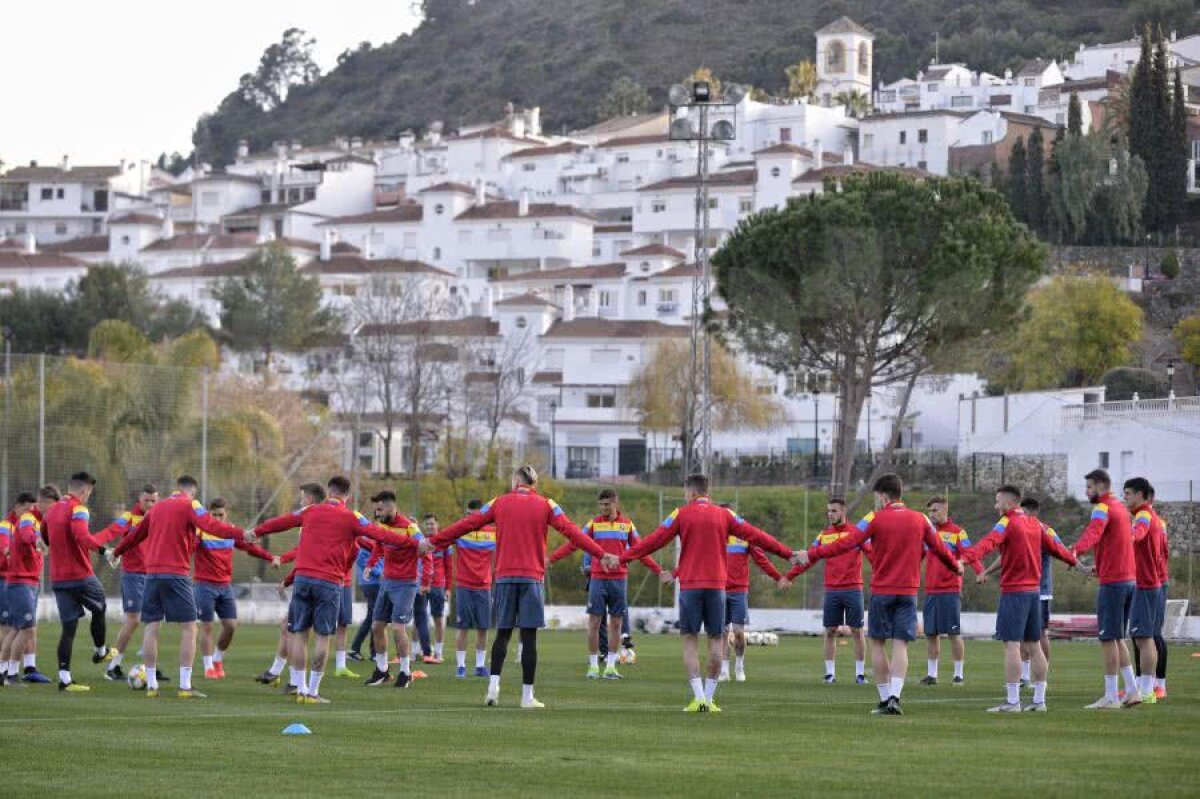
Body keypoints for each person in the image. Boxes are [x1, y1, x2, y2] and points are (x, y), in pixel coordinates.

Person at [423, 465, 615, 709]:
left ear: (516, 480)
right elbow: (573, 532)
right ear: (534, 483)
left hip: (504, 577)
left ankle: (493, 687)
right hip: (532, 578)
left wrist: (435, 541)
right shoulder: (547, 504)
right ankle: (527, 697)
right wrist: (600, 553)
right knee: (528, 637)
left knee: (502, 633)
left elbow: (467, 524)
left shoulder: (499, 502)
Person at [619, 473, 795, 713]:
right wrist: (788, 553)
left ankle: (699, 697)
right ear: (707, 492)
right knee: (716, 639)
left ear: (691, 493)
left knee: (690, 641)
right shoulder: (725, 515)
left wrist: (622, 557)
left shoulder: (680, 513)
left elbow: (653, 541)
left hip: (691, 587)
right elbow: (757, 535)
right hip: (717, 587)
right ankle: (710, 699)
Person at [797, 473, 962, 716]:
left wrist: (813, 554)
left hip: (882, 591)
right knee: (900, 645)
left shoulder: (873, 518)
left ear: (883, 496)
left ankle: (885, 700)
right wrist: (955, 567)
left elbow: (848, 542)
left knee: (877, 644)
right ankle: (896, 696)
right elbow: (939, 547)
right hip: (908, 592)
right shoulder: (921, 519)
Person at [254, 478, 420, 704]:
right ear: (348, 496)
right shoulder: (352, 517)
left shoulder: (310, 511)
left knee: (300, 635)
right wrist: (415, 543)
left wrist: (255, 532)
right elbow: (381, 535)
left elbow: (282, 522)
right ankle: (312, 691)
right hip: (329, 582)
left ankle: (300, 687)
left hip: (303, 579)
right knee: (323, 637)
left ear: (328, 492)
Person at [112, 475, 252, 699]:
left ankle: (151, 685)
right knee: (189, 627)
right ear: (192, 492)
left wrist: (116, 552)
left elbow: (135, 535)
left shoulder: (157, 508)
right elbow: (211, 526)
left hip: (151, 575)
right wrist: (240, 533)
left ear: (176, 489)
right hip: (176, 574)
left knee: (151, 627)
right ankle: (185, 686)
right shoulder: (191, 505)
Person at [960, 485, 1078, 712]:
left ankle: (1013, 701)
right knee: (1034, 646)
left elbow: (988, 543)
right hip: (1035, 593)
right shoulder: (1036, 524)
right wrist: (1077, 564)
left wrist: (963, 560)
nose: (996, 506)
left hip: (1014, 592)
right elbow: (1058, 549)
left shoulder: (1007, 522)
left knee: (1011, 645)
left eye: (997, 502)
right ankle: (1039, 701)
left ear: (1009, 503)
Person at [549, 488, 668, 680]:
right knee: (594, 623)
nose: (604, 508)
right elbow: (574, 543)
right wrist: (552, 558)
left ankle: (611, 667)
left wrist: (658, 570)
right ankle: (594, 667)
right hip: (597, 579)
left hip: (619, 580)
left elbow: (641, 550)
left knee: (616, 624)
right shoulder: (594, 524)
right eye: (601, 505)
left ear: (616, 504)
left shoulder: (627, 525)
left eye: (607, 504)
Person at [1068, 468, 1140, 709]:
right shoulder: (1121, 507)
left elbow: (1094, 533)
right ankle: (1132, 690)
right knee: (1118, 637)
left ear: (1100, 486)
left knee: (1108, 638)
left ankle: (1110, 696)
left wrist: (1076, 550)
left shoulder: (1102, 507)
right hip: (1129, 579)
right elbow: (1116, 543)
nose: (1087, 492)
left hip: (1114, 582)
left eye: (1089, 487)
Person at [783, 498, 870, 685]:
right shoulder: (824, 535)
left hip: (853, 588)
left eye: (834, 511)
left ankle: (860, 674)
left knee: (857, 630)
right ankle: (830, 674)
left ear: (843, 512)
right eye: (828, 511)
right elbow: (809, 558)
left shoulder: (857, 533)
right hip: (832, 590)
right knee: (830, 631)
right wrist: (789, 576)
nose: (830, 514)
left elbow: (872, 554)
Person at [43, 471, 117, 692]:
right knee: (101, 605)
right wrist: (106, 552)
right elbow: (82, 537)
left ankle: (65, 680)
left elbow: (45, 536)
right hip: (80, 576)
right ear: (84, 490)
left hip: (59, 579)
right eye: (89, 493)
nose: (88, 497)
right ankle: (101, 650)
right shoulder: (79, 509)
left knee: (68, 629)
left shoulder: (52, 510)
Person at [194, 498, 279, 679]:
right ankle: (208, 667)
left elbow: (250, 548)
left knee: (231, 626)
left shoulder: (230, 532)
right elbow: (187, 549)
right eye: (214, 514)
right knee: (206, 626)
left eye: (220, 514)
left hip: (225, 586)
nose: (217, 518)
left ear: (226, 514)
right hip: (204, 585)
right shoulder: (200, 532)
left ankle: (218, 659)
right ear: (208, 514)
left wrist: (270, 557)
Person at [982, 497, 1063, 689]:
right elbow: (1004, 556)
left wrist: (1076, 560)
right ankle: (1026, 677)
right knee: (1025, 639)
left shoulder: (1042, 528)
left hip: (1038, 590)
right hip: (1031, 590)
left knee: (1036, 636)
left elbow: (1060, 548)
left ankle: (1040, 679)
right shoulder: (1021, 527)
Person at [362, 492, 424, 689]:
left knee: (398, 628)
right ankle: (382, 671)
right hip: (387, 582)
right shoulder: (382, 525)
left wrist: (426, 578)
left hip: (406, 584)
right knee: (377, 626)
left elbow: (425, 549)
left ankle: (405, 673)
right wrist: (370, 564)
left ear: (391, 507)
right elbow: (378, 546)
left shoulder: (410, 527)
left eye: (380, 509)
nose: (376, 513)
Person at [918, 497, 982, 686]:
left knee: (954, 633)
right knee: (931, 633)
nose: (932, 515)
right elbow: (918, 555)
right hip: (931, 590)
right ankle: (932, 674)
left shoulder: (958, 533)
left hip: (950, 589)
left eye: (935, 510)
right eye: (929, 512)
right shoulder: (927, 533)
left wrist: (980, 572)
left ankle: (958, 674)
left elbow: (970, 553)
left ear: (945, 510)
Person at [718, 502, 783, 683]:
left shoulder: (744, 536)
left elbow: (761, 560)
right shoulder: (715, 537)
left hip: (738, 590)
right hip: (719, 590)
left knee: (738, 632)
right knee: (722, 632)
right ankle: (724, 670)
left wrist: (778, 577)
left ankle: (739, 666)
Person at [101, 485, 159, 682]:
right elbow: (112, 531)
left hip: (153, 575)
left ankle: (150, 667)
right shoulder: (129, 517)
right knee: (133, 620)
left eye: (153, 501)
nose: (150, 504)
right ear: (139, 500)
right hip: (133, 575)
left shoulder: (158, 516)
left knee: (153, 621)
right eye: (147, 501)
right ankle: (113, 666)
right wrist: (97, 545)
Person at [4, 486, 55, 684]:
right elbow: (26, 535)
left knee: (18, 628)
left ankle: (4, 672)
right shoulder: (28, 518)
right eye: (50, 506)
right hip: (20, 581)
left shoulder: (41, 522)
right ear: (40, 503)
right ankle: (12, 674)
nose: (51, 511)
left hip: (28, 581)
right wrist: (37, 541)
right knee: (27, 629)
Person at [1124, 477, 1165, 705]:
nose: (1125, 497)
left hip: (1145, 584)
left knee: (1144, 638)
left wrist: (1123, 539)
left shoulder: (1143, 516)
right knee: (1143, 637)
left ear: (1141, 494)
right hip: (1150, 582)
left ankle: (1147, 691)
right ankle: (1145, 688)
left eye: (1128, 493)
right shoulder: (1152, 516)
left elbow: (1137, 534)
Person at [450, 499, 495, 679]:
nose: (469, 518)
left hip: (484, 586)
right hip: (464, 586)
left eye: (473, 515)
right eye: (467, 515)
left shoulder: (493, 533)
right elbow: (442, 538)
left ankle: (480, 665)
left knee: (483, 628)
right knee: (463, 627)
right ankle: (461, 666)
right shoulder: (460, 531)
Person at [0, 492, 38, 685]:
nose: (30, 513)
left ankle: (9, 670)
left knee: (19, 627)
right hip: (9, 579)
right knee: (13, 628)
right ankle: (9, 673)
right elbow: (5, 550)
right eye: (27, 509)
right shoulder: (7, 525)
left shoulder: (29, 523)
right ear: (17, 507)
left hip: (24, 580)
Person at [349, 536, 383, 662]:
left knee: (374, 616)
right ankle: (364, 650)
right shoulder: (365, 544)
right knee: (375, 616)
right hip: (370, 584)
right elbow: (363, 561)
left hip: (377, 584)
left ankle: (363, 650)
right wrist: (381, 573)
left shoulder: (378, 543)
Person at [426, 516, 452, 665]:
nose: (430, 526)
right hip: (421, 585)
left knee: (438, 619)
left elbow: (449, 567)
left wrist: (448, 588)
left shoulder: (445, 543)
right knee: (419, 618)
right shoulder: (421, 541)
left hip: (438, 585)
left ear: (437, 525)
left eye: (432, 524)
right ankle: (417, 651)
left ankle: (438, 652)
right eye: (427, 524)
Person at [411, 515, 437, 664]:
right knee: (419, 619)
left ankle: (425, 652)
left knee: (419, 619)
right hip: (409, 585)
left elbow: (428, 563)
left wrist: (425, 583)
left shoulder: (419, 542)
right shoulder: (418, 540)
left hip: (414, 586)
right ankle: (423, 652)